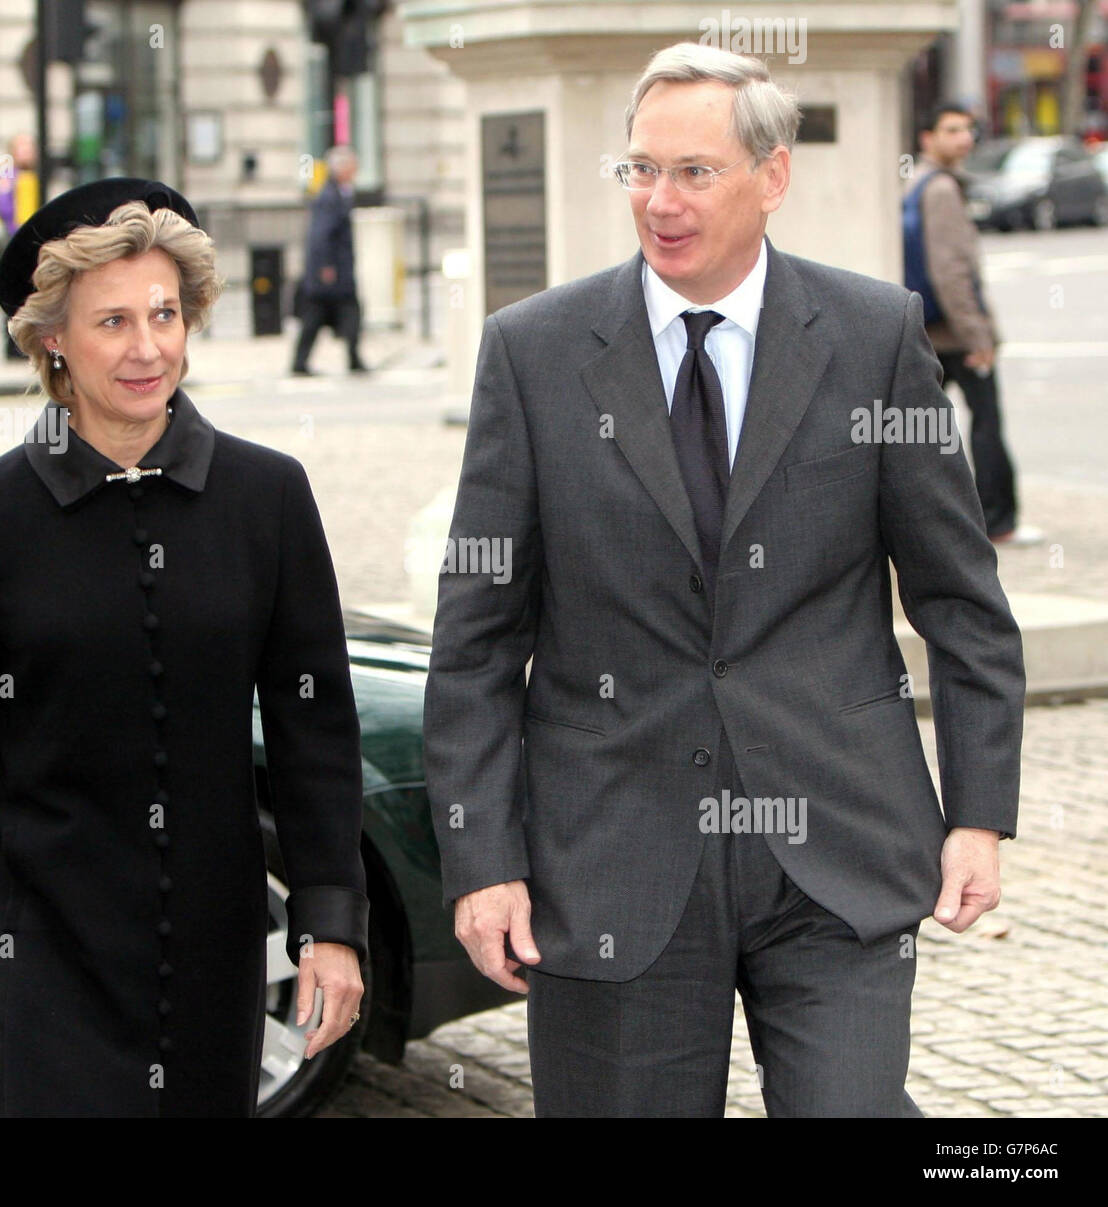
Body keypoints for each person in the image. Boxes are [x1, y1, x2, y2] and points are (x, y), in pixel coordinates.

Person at [424, 43, 1025, 1118]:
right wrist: (481, 860)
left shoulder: (873, 336)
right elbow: (475, 641)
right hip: (612, 861)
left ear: (772, 176)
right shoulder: (532, 352)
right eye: (642, 170)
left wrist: (978, 814)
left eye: (694, 172)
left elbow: (961, 600)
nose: (660, 201)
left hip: (836, 849)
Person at [0, 178, 368, 1117]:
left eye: (164, 314)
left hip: (210, 942)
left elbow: (314, 728)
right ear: (53, 341)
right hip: (36, 939)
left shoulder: (267, 497)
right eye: (112, 321)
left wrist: (330, 921)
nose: (148, 347)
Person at [905, 104, 1040, 545]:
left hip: (932, 328)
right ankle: (998, 521)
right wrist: (977, 336)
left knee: (918, 429)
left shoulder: (917, 182)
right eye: (951, 129)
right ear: (928, 139)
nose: (964, 137)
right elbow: (951, 271)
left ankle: (924, 520)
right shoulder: (942, 188)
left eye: (967, 129)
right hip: (955, 333)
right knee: (986, 423)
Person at [291, 144, 367, 375]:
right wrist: (326, 266)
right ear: (341, 168)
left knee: (328, 315)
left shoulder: (338, 193)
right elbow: (321, 234)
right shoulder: (329, 196)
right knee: (323, 315)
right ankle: (303, 362)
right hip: (331, 271)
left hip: (334, 271)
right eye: (352, 166)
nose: (355, 171)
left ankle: (351, 358)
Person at [0, 132, 40, 360]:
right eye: (22, 146)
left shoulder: (36, 174)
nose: (27, 151)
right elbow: (2, 205)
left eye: (29, 146)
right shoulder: (8, 171)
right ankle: (12, 344)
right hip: (14, 238)